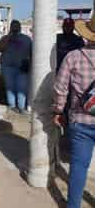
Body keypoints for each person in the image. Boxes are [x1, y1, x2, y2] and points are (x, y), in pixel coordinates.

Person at [53, 14, 95, 208]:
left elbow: (60, 88)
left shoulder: (74, 56)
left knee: (78, 166)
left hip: (80, 119)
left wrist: (58, 111)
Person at [0, 20, 32, 114]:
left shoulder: (26, 39)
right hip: (8, 67)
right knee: (10, 87)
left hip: (22, 67)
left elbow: (32, 53)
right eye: (13, 26)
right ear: (10, 27)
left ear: (20, 27)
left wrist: (29, 64)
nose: (15, 28)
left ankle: (21, 107)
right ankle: (12, 106)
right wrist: (8, 37)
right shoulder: (5, 38)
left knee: (22, 87)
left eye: (17, 26)